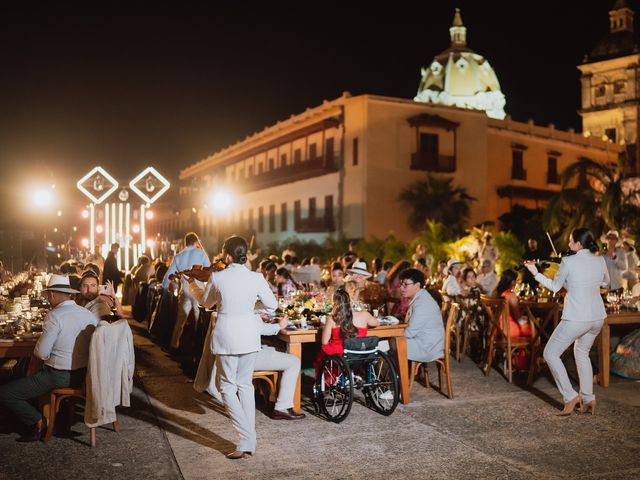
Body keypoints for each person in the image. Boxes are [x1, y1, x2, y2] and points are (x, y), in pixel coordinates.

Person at [188, 235, 277, 459]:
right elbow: (272, 305)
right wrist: (250, 306)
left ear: (227, 256)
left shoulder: (217, 277)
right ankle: (250, 439)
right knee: (245, 385)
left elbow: (206, 304)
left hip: (227, 337)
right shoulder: (256, 277)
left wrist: (192, 286)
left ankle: (247, 439)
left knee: (227, 388)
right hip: (248, 336)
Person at [0, 274, 97, 441]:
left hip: (58, 376)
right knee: (31, 374)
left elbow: (41, 353)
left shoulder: (54, 316)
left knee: (6, 393)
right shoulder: (87, 314)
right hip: (83, 375)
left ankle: (37, 421)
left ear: (52, 294)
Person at [525, 227, 609, 416]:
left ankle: (570, 396)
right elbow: (606, 283)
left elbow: (555, 287)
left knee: (550, 353)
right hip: (597, 316)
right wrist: (580, 285)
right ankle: (588, 398)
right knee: (582, 353)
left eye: (571, 241)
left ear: (578, 244)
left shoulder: (568, 261)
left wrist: (535, 273)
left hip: (577, 317)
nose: (568, 245)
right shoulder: (599, 258)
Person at [162, 232, 211, 350]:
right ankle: (199, 346)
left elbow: (169, 274)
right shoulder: (200, 253)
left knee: (181, 319)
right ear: (196, 242)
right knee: (199, 319)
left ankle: (174, 344)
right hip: (197, 289)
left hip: (184, 289)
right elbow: (209, 269)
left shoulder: (178, 256)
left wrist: (164, 287)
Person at [314, 289, 379, 373]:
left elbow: (324, 341)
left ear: (334, 303)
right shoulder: (364, 315)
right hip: (361, 351)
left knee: (323, 351)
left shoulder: (332, 318)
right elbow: (377, 323)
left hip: (340, 353)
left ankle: (334, 377)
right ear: (350, 301)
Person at [399, 268, 444, 363]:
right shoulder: (421, 297)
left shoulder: (422, 303)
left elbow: (410, 333)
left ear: (417, 285)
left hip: (428, 347)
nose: (401, 288)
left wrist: (391, 334)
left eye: (405, 285)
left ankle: (399, 377)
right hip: (425, 342)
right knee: (390, 342)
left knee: (391, 343)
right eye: (401, 284)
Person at [496, 269, 532, 370]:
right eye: (516, 281)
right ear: (512, 282)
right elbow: (518, 317)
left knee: (529, 327)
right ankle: (523, 364)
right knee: (534, 332)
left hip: (499, 328)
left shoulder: (498, 293)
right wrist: (528, 320)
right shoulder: (511, 295)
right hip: (510, 330)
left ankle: (514, 359)